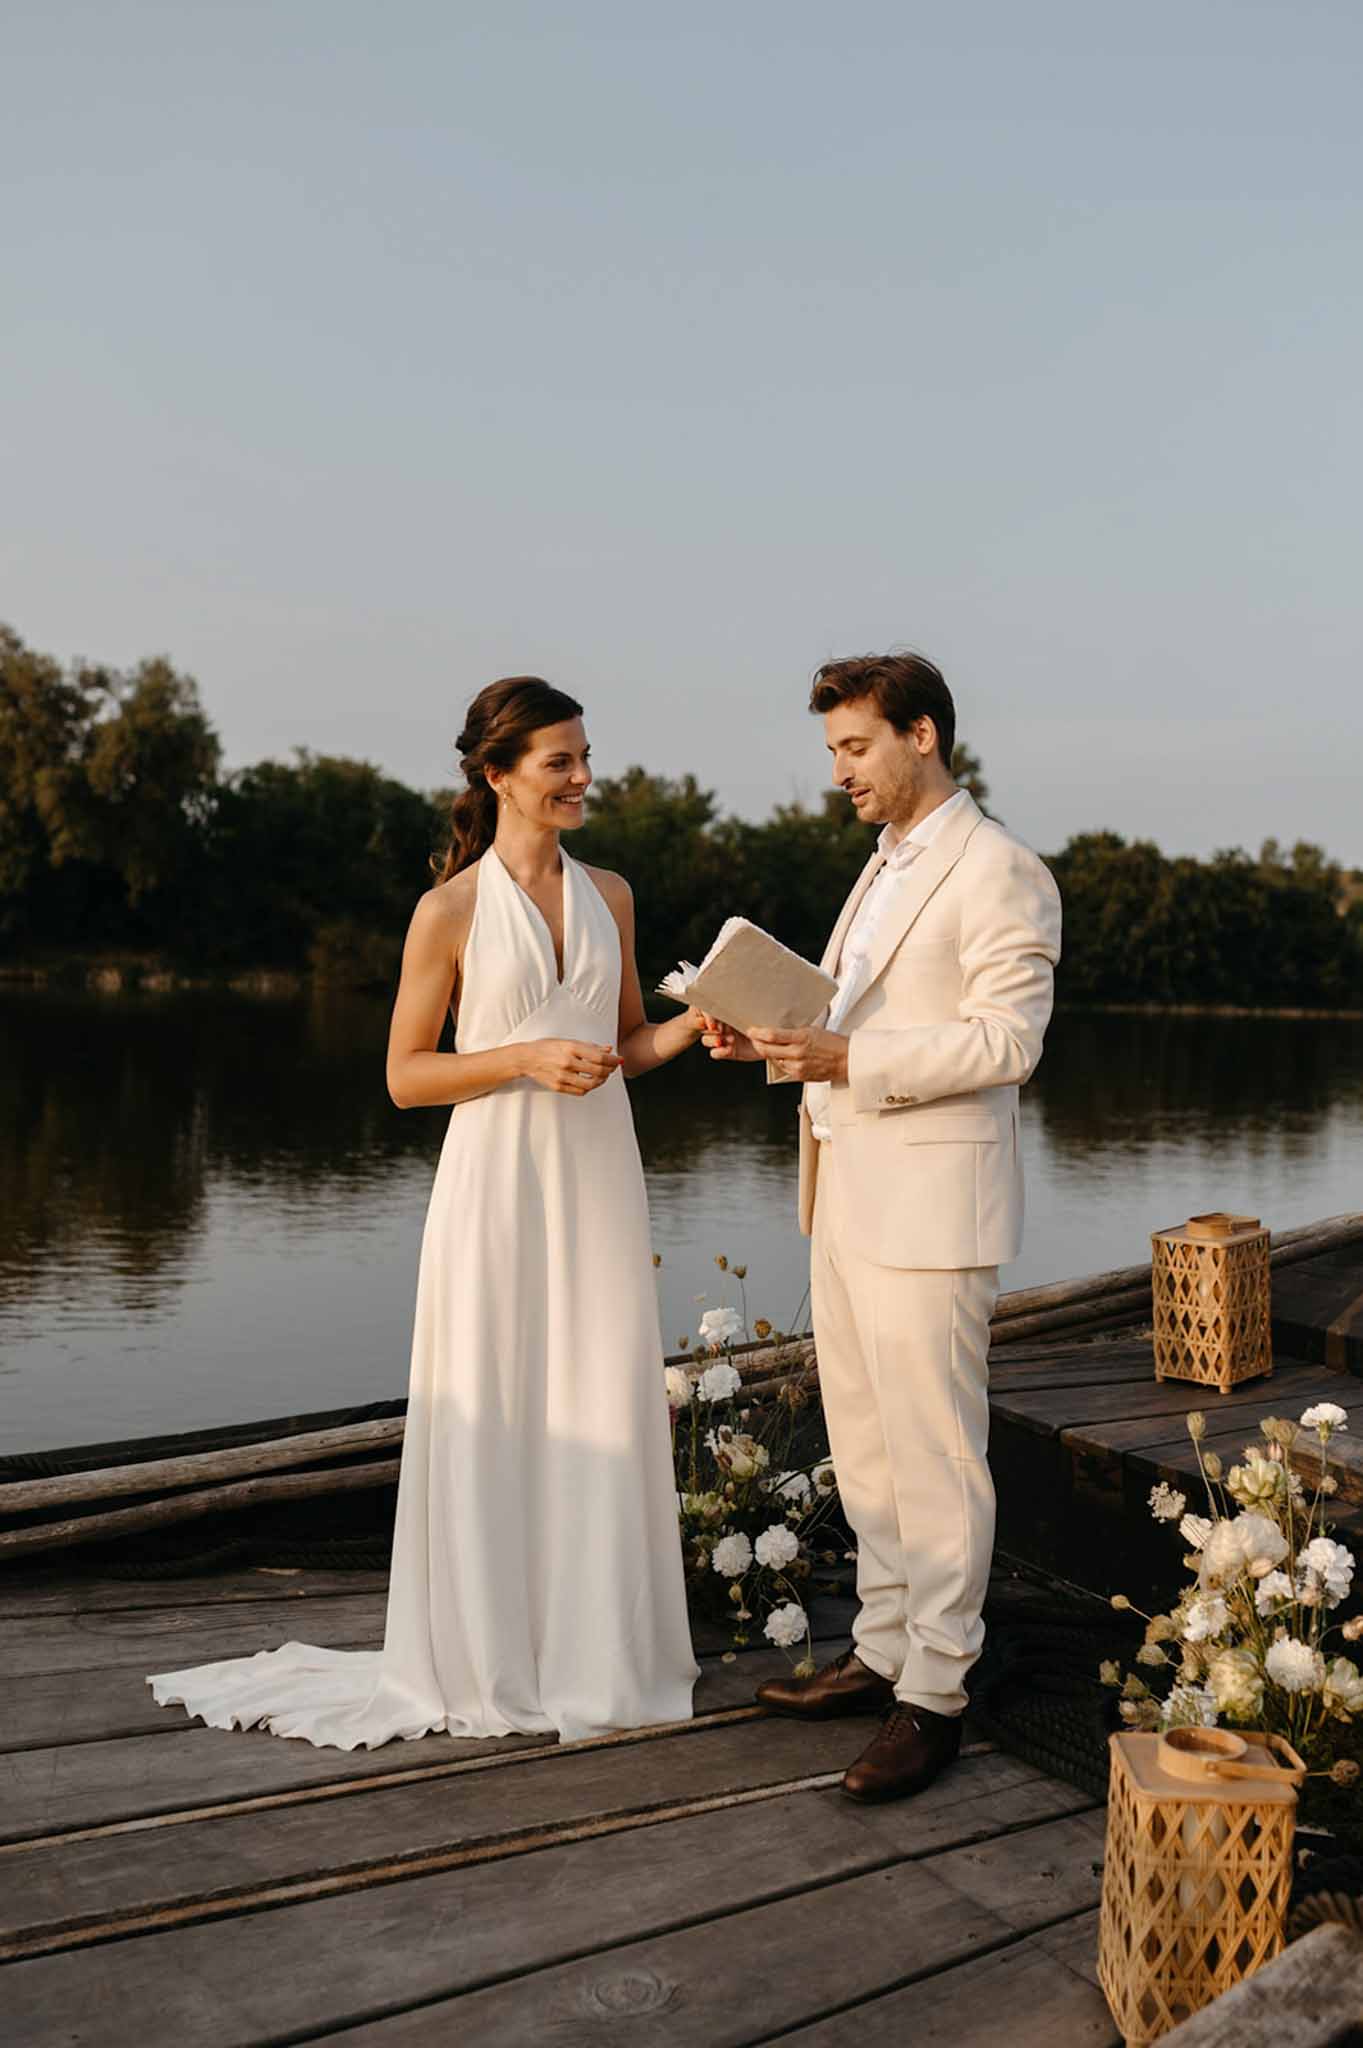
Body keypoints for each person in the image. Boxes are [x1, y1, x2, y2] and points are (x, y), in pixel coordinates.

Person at [149, 677, 703, 1748]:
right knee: (497, 1392)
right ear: (497, 775)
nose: (586, 776)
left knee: (595, 1389)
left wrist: (694, 1029)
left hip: (595, 1177)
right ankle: (490, 1654)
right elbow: (406, 1075)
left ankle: (595, 1651)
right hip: (494, 1184)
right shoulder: (447, 909)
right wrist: (521, 1056)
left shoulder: (614, 894)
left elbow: (627, 1038)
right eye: (561, 760)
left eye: (586, 755)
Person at [704, 652, 1061, 1803]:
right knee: (861, 1443)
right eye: (831, 753)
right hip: (846, 1191)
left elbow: (1006, 1042)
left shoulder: (1001, 870)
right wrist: (767, 1038)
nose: (839, 772)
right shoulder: (877, 870)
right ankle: (882, 1647)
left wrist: (850, 1055)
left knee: (935, 1455)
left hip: (932, 1206)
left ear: (920, 733)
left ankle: (938, 1695)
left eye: (854, 747)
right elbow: (841, 1022)